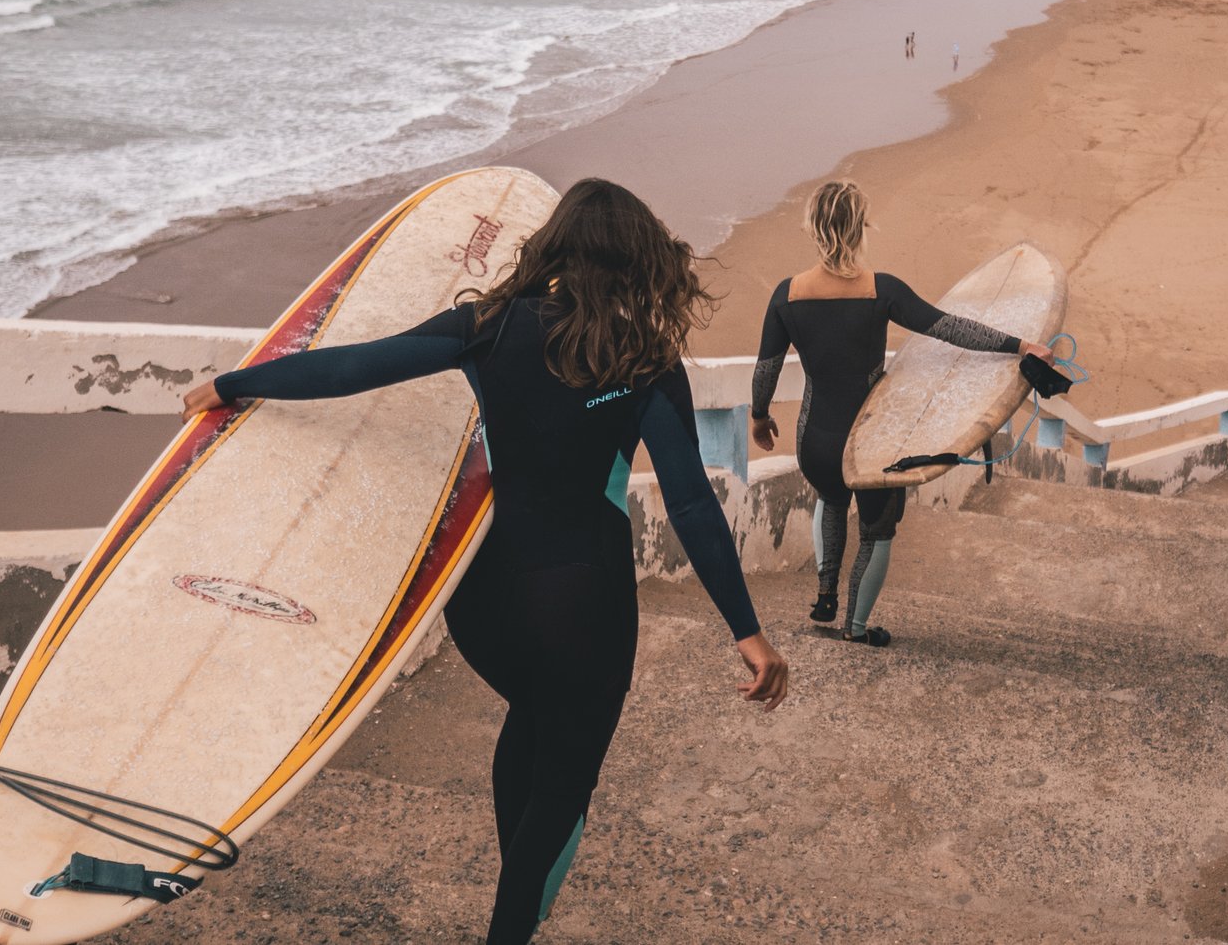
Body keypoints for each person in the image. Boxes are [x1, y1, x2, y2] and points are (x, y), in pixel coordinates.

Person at [182, 178, 787, 945]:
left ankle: (518, 902)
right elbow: (692, 503)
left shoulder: (490, 326)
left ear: (555, 247)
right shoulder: (644, 358)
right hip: (585, 607)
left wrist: (231, 385)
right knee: (562, 785)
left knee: (532, 712)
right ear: (636, 258)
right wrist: (747, 632)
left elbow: (357, 366)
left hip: (486, 604)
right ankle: (514, 921)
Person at [748, 180, 1050, 646]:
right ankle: (855, 628)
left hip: (816, 442)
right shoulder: (881, 290)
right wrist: (1020, 345)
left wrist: (759, 417)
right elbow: (950, 328)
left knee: (831, 499)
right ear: (861, 228)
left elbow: (765, 369)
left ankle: (825, 595)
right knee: (877, 531)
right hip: (873, 445)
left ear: (812, 228)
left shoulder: (787, 296)